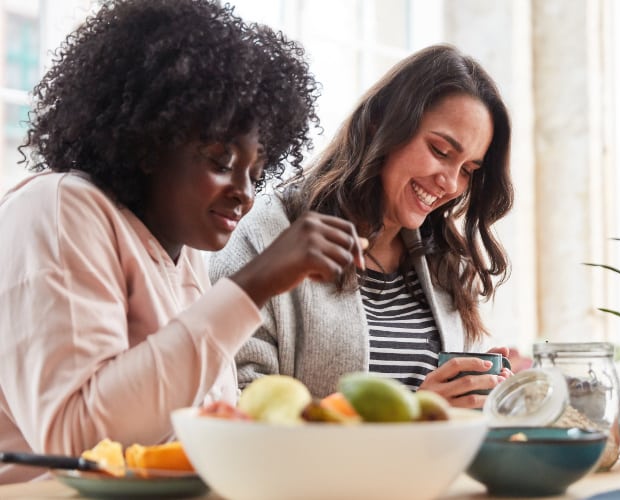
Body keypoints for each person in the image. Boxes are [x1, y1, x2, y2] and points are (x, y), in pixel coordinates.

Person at [0, 0, 365, 484]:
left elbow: (190, 429)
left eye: (256, 173)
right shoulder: (59, 208)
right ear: (149, 142)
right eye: (220, 160)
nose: (245, 193)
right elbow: (78, 445)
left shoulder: (183, 247)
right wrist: (251, 286)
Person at [209, 44, 515, 408]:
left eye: (468, 170)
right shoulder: (268, 235)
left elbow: (441, 412)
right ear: (379, 123)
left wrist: (480, 386)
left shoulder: (443, 260)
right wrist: (412, 414)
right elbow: (237, 402)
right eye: (440, 151)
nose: (450, 183)